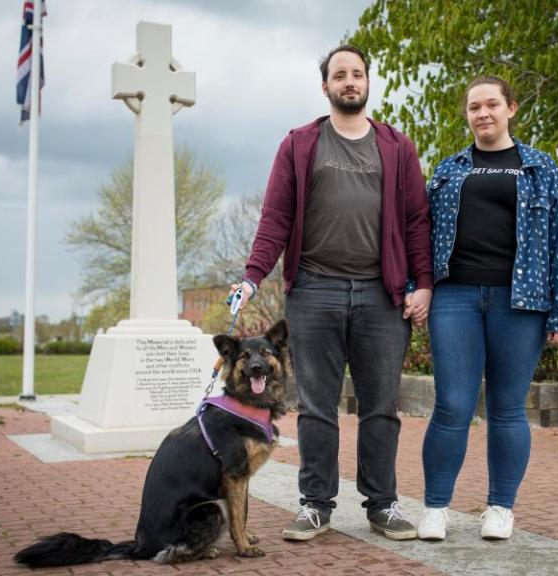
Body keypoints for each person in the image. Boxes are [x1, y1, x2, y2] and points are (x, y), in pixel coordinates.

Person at [229, 45, 433, 542]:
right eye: (339, 75)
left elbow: (415, 221)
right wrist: (253, 275)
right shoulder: (300, 144)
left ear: (367, 83)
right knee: (317, 407)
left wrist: (424, 283)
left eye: (357, 74)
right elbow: (275, 217)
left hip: (380, 297)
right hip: (314, 292)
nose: (349, 82)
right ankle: (315, 504)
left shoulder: (396, 146)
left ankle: (382, 505)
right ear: (325, 87)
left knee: (380, 406)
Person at [417, 75, 558, 541]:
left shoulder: (541, 168)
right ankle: (435, 508)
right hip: (456, 298)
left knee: (508, 408)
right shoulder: (449, 170)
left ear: (511, 109)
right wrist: (418, 286)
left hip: (520, 301)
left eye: (491, 104)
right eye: (474, 107)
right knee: (452, 405)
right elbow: (422, 236)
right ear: (466, 114)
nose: (482, 113)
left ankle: (500, 507)